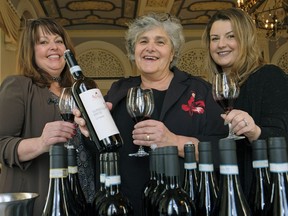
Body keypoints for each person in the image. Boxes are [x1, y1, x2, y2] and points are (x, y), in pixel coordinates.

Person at [74, 13, 228, 215]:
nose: (150, 48)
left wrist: (174, 140)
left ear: (172, 53)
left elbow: (223, 150)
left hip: (186, 205)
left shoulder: (200, 91)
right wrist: (88, 133)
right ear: (133, 51)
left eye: (160, 42)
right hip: (129, 204)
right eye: (143, 41)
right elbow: (102, 151)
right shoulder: (118, 91)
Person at [0, 18, 96, 215]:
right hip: (40, 201)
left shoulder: (80, 91)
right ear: (31, 50)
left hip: (84, 197)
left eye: (59, 41)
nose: (54, 47)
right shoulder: (18, 86)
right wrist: (41, 143)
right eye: (43, 42)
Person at [202, 7, 288, 198]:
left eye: (230, 36)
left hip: (261, 193)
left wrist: (254, 131)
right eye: (215, 38)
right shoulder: (213, 91)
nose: (221, 44)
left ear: (245, 40)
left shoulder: (269, 76)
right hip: (225, 191)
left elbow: (281, 136)